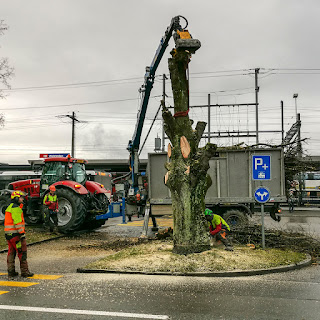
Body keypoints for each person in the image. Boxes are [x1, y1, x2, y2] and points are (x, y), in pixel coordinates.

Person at [4, 190, 34, 277]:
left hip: (9, 235)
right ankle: (25, 272)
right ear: (16, 198)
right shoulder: (16, 209)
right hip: (16, 235)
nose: (22, 199)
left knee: (11, 252)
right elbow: (17, 222)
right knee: (22, 252)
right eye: (21, 198)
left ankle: (11, 271)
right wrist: (22, 234)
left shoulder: (9, 207)